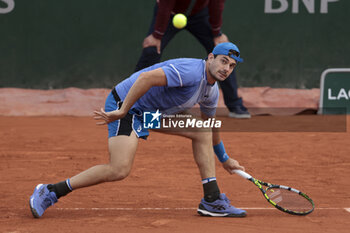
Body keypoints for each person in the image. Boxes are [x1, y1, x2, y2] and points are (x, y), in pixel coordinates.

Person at [29, 42, 247, 218]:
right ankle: (50, 191)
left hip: (152, 115)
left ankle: (211, 199)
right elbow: (146, 78)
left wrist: (224, 158)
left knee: (201, 129)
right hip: (127, 107)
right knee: (119, 169)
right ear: (211, 57)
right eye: (223, 61)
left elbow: (210, 124)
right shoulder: (190, 71)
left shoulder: (211, 91)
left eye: (231, 66)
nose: (226, 68)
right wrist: (123, 110)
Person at [135, 0, 251, 118]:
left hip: (199, 14)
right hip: (169, 13)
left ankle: (235, 105)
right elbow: (165, 4)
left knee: (223, 52)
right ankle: (130, 97)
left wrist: (217, 33)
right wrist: (157, 35)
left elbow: (216, 3)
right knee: (152, 49)